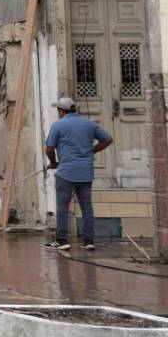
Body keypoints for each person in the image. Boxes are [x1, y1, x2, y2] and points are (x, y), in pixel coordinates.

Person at [44, 96, 114, 251]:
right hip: (85, 172)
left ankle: (62, 241)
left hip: (66, 172)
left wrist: (54, 162)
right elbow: (108, 139)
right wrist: (91, 151)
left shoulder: (58, 126)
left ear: (61, 111)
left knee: (62, 206)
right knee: (86, 205)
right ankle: (88, 241)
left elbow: (49, 148)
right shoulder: (89, 124)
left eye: (58, 110)